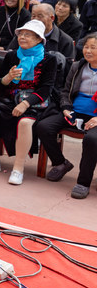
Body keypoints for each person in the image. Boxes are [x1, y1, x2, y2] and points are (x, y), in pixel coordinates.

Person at [0, 20, 56, 185]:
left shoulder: (49, 59)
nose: (23, 37)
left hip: (35, 101)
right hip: (12, 98)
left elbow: (46, 89)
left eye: (28, 35)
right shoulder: (12, 55)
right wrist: (8, 77)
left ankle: (18, 168)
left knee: (25, 122)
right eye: (21, 34)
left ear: (39, 39)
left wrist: (25, 104)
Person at [34, 33, 97, 198]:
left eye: (93, 47)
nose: (88, 51)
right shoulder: (78, 66)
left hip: (95, 119)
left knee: (92, 139)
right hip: (75, 112)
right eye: (86, 47)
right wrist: (66, 107)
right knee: (44, 126)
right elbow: (65, 91)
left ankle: (83, 183)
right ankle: (61, 163)